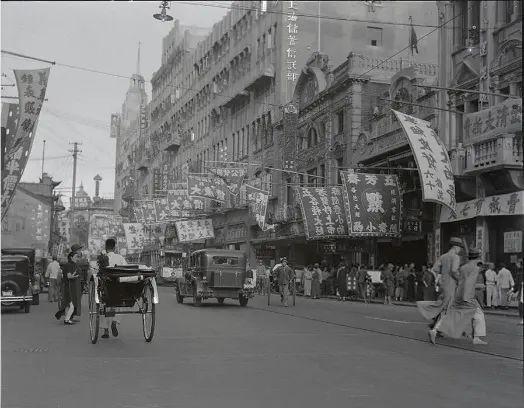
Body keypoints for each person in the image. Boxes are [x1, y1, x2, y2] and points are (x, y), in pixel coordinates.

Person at [427, 247, 488, 345]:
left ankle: (435, 330)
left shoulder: (463, 267)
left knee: (451, 313)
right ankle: (476, 338)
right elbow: (469, 283)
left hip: (458, 294)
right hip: (467, 296)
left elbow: (460, 280)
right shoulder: (475, 268)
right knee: (479, 314)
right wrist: (477, 286)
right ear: (477, 257)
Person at [417, 237, 463, 327]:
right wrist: (460, 279)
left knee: (442, 304)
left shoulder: (443, 256)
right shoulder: (456, 257)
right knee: (448, 305)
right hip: (451, 285)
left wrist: (443, 274)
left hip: (443, 284)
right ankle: (437, 327)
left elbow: (435, 269)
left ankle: (436, 324)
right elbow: (454, 271)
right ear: (455, 247)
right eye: (460, 247)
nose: (460, 250)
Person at [98, 238, 127, 339]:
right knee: (118, 305)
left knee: (105, 306)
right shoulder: (120, 258)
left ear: (106, 248)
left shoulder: (102, 258)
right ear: (114, 247)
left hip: (106, 288)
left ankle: (106, 330)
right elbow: (126, 271)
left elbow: (99, 273)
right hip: (118, 287)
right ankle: (115, 321)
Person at [55, 244, 83, 325]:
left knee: (70, 303)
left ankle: (69, 317)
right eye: (79, 250)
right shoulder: (69, 264)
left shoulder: (73, 263)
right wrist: (75, 276)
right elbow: (69, 276)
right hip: (70, 286)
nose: (77, 258)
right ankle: (68, 318)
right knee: (71, 303)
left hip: (73, 285)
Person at [511, 260, 523, 325]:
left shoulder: (520, 272)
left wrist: (512, 290)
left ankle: (522, 320)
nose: (516, 265)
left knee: (521, 305)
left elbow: (517, 283)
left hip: (522, 290)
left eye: (517, 264)